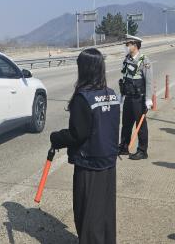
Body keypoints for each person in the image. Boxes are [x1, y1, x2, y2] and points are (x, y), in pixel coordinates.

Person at [50, 48, 120, 244]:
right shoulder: (111, 94)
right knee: (104, 210)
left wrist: (56, 138)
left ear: (84, 69)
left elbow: (77, 134)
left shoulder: (83, 98)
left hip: (89, 163)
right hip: (108, 160)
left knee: (87, 212)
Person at [118, 35, 152, 160]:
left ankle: (142, 151)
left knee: (140, 125)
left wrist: (148, 99)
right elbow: (125, 79)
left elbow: (148, 81)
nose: (126, 46)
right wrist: (121, 95)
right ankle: (124, 147)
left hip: (139, 98)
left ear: (135, 45)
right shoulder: (127, 59)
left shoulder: (144, 60)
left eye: (128, 44)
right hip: (128, 97)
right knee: (126, 124)